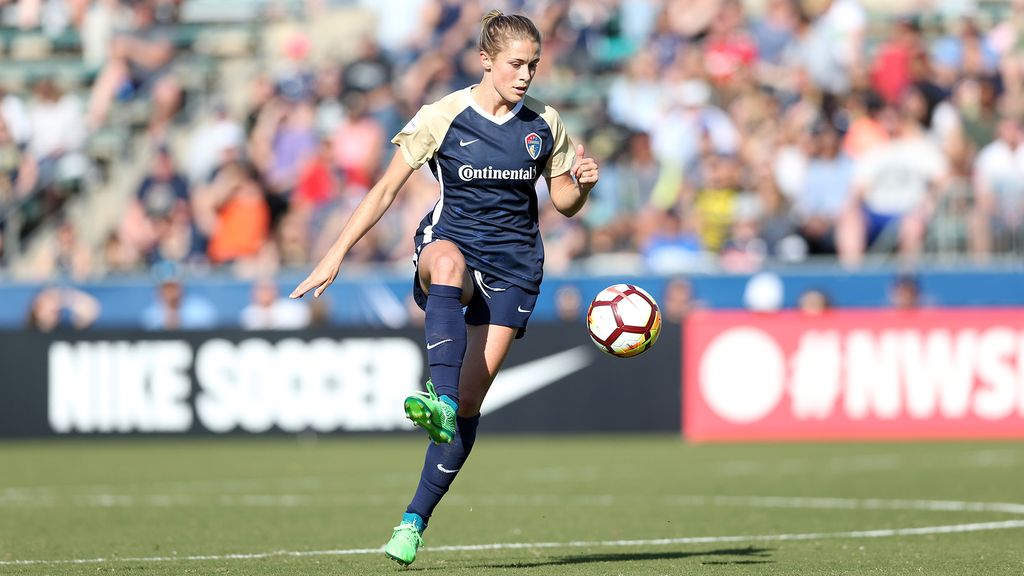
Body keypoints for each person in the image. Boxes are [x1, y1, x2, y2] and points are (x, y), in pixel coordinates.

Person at [289, 10, 598, 567]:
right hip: (450, 242)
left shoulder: (544, 124)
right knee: (448, 265)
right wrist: (334, 255)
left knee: (474, 403)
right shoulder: (443, 116)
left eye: (533, 65)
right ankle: (441, 399)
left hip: (515, 268)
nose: (526, 75)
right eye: (515, 64)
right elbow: (385, 190)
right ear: (485, 60)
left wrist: (580, 184)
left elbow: (564, 205)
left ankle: (413, 521)